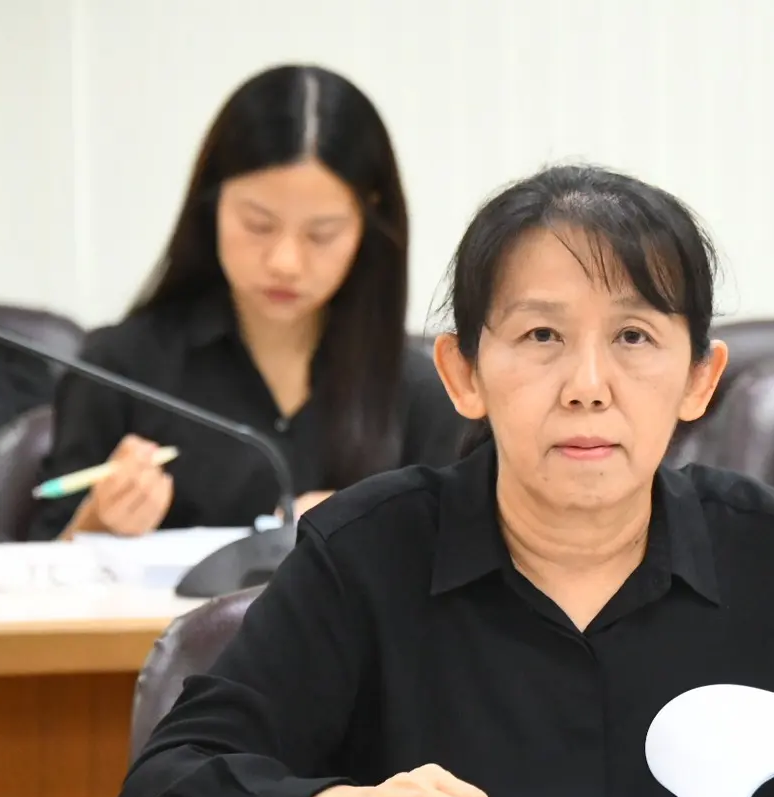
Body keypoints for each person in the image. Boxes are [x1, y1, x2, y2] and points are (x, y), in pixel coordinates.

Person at [111, 165, 774, 797]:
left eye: (633, 337)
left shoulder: (766, 551)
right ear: (461, 372)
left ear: (700, 378)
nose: (586, 384)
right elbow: (164, 786)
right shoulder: (366, 553)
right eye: (540, 335)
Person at [29, 65, 463, 541]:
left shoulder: (424, 395)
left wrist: (374, 537)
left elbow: (465, 569)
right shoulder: (120, 370)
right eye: (258, 224)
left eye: (321, 234)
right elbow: (31, 570)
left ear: (369, 224)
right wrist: (95, 523)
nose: (285, 262)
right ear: (212, 205)